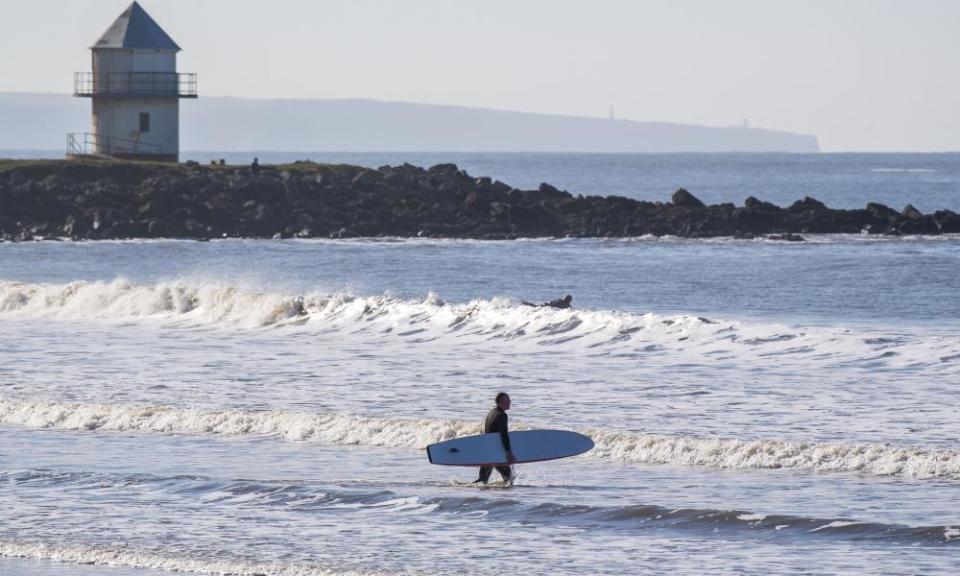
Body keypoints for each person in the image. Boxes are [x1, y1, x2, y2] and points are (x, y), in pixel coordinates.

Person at [476, 392, 516, 485]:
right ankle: (503, 498)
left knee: (482, 481)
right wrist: (508, 452)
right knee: (508, 478)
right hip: (495, 453)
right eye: (508, 400)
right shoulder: (502, 415)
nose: (510, 402)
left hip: (487, 452)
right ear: (501, 402)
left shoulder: (491, 412)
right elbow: (504, 434)